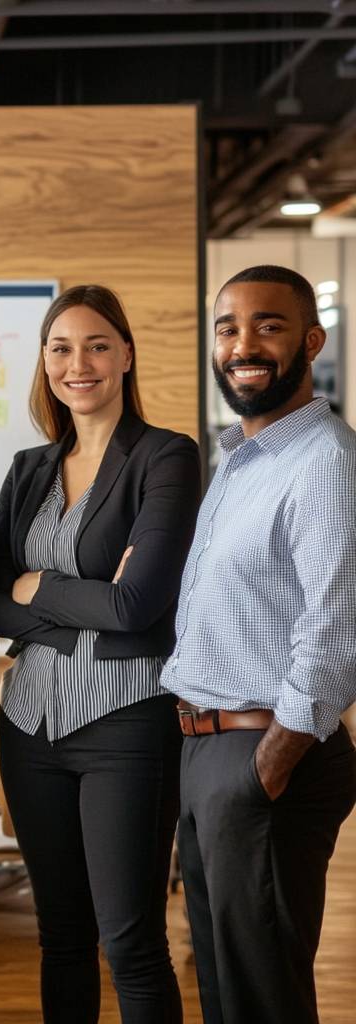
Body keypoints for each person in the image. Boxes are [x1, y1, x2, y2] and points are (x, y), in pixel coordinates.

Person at [0, 284, 200, 1024]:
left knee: (131, 940)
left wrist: (37, 585)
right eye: (61, 348)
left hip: (128, 727)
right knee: (62, 937)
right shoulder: (27, 469)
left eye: (97, 345)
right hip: (29, 727)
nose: (79, 363)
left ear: (127, 355)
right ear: (44, 364)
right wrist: (84, 600)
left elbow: (137, 605)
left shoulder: (166, 457)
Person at [162, 265, 356, 1024]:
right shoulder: (245, 460)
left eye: (267, 326)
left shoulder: (325, 463)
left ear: (312, 340)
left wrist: (266, 769)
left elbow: (336, 627)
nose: (242, 344)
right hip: (211, 751)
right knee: (227, 987)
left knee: (262, 996)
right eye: (228, 327)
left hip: (264, 754)